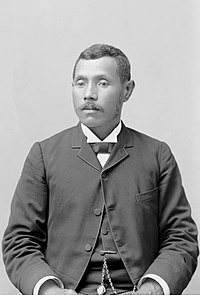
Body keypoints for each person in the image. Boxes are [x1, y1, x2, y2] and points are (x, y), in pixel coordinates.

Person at [2, 44, 199, 295]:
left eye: (103, 83)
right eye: (80, 83)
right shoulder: (43, 154)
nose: (89, 94)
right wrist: (49, 291)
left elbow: (181, 237)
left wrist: (153, 288)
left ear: (127, 90)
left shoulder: (158, 155)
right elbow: (20, 241)